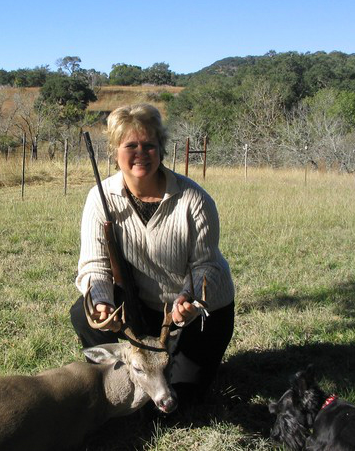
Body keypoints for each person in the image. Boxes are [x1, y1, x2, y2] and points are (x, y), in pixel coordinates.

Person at [70, 103, 235, 409]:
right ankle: (115, 377)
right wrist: (103, 302)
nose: (141, 154)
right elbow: (95, 265)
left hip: (200, 316)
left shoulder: (194, 199)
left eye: (149, 145)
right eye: (130, 146)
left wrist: (190, 300)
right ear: (115, 151)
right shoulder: (100, 198)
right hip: (144, 307)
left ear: (161, 149)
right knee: (84, 312)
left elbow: (207, 266)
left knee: (181, 403)